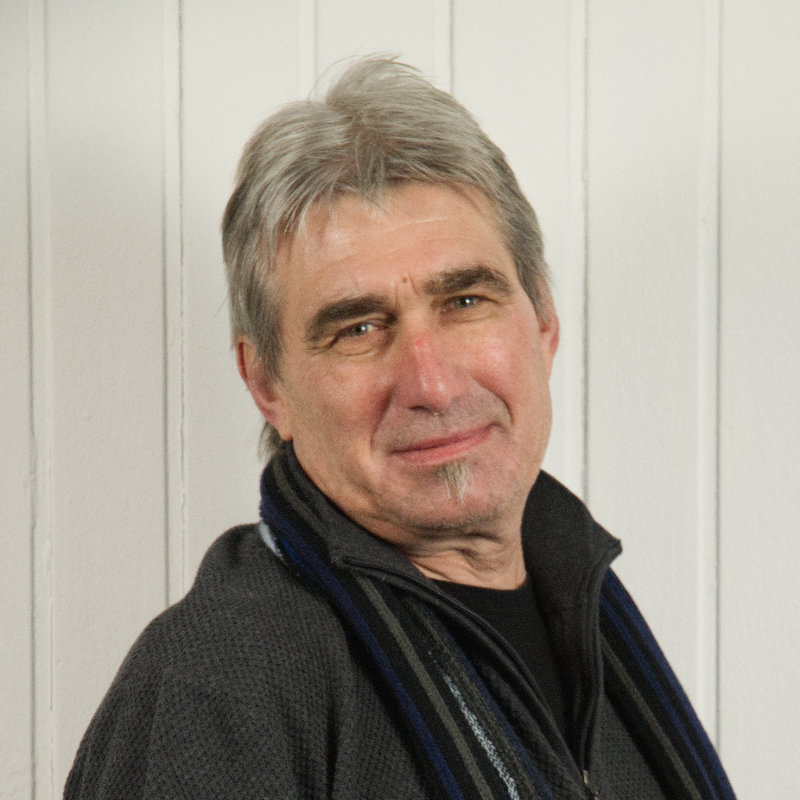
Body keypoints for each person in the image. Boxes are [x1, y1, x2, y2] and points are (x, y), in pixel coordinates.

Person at [65, 58, 735, 800]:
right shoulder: (221, 681)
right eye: (357, 328)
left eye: (466, 302)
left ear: (543, 322)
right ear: (267, 385)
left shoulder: (589, 618)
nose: (433, 383)